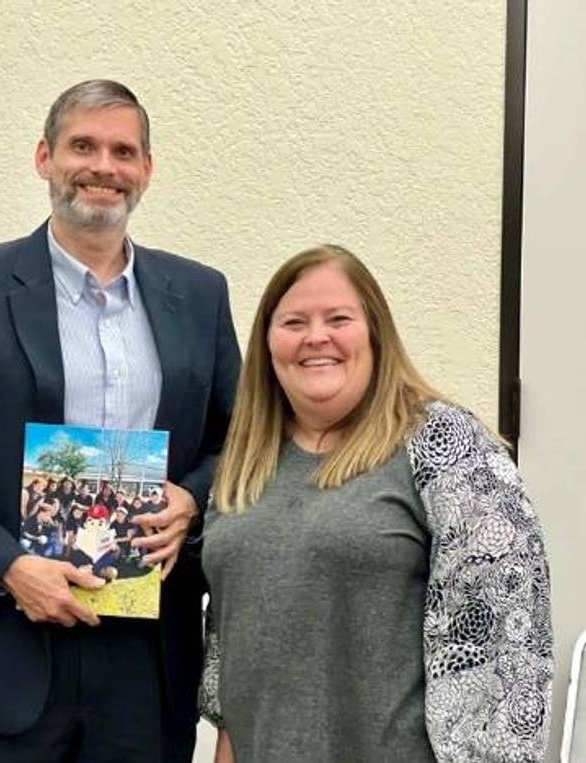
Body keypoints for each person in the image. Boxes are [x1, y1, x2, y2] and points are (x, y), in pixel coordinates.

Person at [0, 79, 240, 763]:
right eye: (83, 145)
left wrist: (194, 497)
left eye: (123, 151)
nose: (103, 167)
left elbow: (241, 443)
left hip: (147, 659)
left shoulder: (199, 294)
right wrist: (10, 567)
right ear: (44, 157)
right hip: (3, 652)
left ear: (146, 169)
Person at [199, 244, 553, 763]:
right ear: (269, 342)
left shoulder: (445, 445)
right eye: (294, 321)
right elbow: (233, 651)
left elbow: (509, 642)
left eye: (338, 318)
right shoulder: (245, 462)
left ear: (374, 333)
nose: (316, 337)